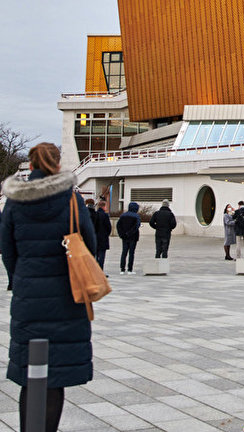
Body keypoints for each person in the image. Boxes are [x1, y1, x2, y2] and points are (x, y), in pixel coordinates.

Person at [0, 142, 96, 432]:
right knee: (55, 376)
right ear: (57, 165)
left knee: (31, 374)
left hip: (29, 294)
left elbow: (7, 248)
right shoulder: (70, 199)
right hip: (68, 294)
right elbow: (88, 243)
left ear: (31, 166)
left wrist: (20, 278)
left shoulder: (16, 201)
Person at [117, 201, 141, 274]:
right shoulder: (136, 216)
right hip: (133, 237)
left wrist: (122, 234)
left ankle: (122, 269)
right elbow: (137, 226)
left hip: (124, 237)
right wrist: (129, 233)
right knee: (131, 253)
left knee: (124, 252)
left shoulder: (123, 216)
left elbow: (118, 226)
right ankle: (130, 269)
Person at [94, 200, 112, 272]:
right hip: (103, 238)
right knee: (102, 256)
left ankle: (95, 270)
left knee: (96, 255)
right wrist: (106, 234)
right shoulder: (105, 215)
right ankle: (100, 271)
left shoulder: (95, 214)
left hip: (95, 237)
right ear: (104, 206)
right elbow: (109, 227)